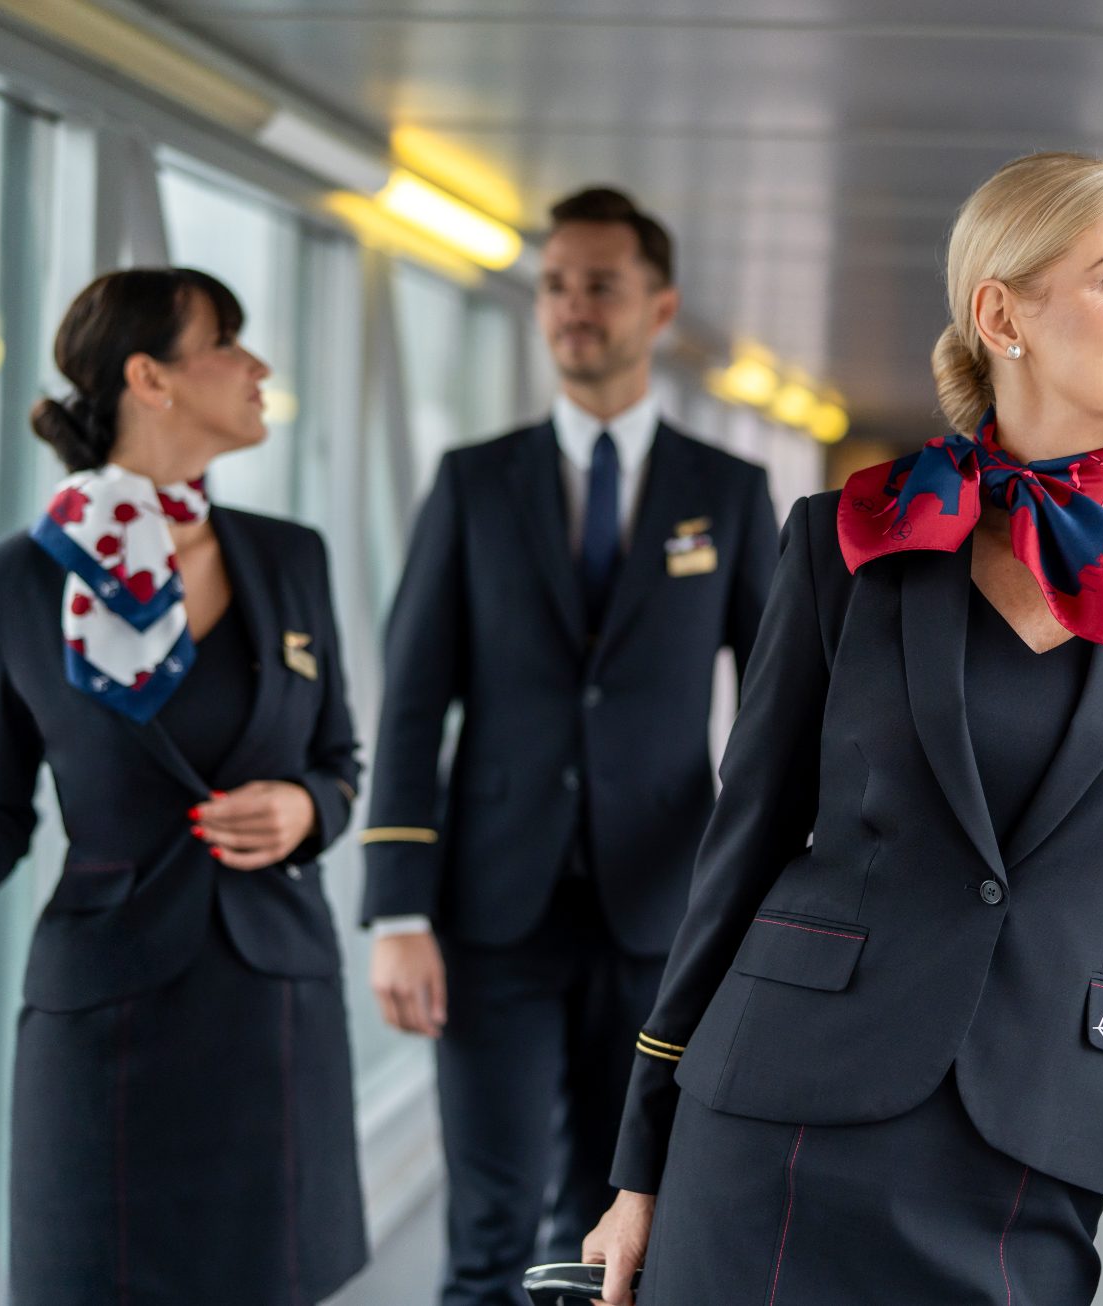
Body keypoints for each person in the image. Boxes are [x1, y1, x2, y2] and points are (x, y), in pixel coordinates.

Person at [583, 152, 1103, 1306]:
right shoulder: (846, 540)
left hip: (1030, 1164)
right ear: (1002, 314)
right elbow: (740, 849)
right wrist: (638, 1168)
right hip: (770, 1133)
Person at [0, 268, 368, 1305]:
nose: (259, 366)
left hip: (270, 995)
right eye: (228, 342)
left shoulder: (290, 558)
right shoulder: (10, 580)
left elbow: (338, 760)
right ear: (152, 377)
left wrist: (305, 810)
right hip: (106, 1008)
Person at [360, 187, 779, 1305]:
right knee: (488, 1221)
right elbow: (410, 701)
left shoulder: (728, 495)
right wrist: (398, 909)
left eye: (600, 284)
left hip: (662, 917)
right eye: (554, 284)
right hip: (491, 909)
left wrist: (759, 888)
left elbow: (783, 706)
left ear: (660, 307)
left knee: (615, 1224)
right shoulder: (473, 481)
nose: (571, 307)